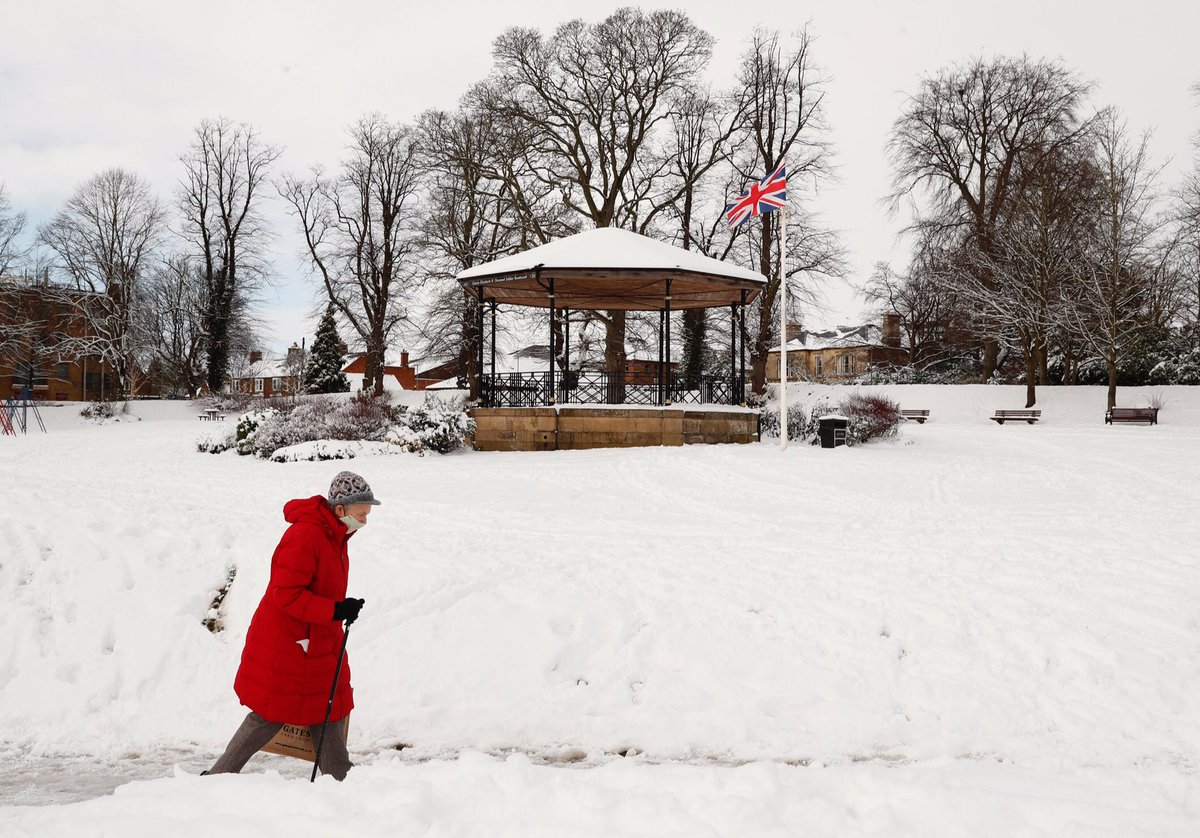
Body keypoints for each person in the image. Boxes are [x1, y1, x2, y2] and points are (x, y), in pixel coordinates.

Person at [205, 471, 380, 780]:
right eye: (361, 514)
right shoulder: (306, 536)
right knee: (271, 713)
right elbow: (286, 594)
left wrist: (340, 609)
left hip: (317, 638)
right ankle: (218, 777)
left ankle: (341, 778)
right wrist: (335, 609)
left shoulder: (336, 536)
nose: (365, 521)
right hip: (289, 642)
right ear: (341, 509)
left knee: (327, 709)